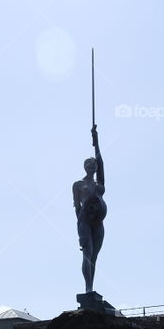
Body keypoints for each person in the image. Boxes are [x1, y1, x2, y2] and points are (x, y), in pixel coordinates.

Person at [73, 124, 107, 294]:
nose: (92, 165)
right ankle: (88, 288)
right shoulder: (78, 185)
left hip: (98, 223)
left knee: (94, 257)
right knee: (87, 253)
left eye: (93, 164)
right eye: (89, 163)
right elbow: (76, 207)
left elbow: (101, 162)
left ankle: (91, 288)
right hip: (84, 222)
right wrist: (80, 225)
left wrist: (96, 142)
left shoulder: (99, 183)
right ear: (84, 167)